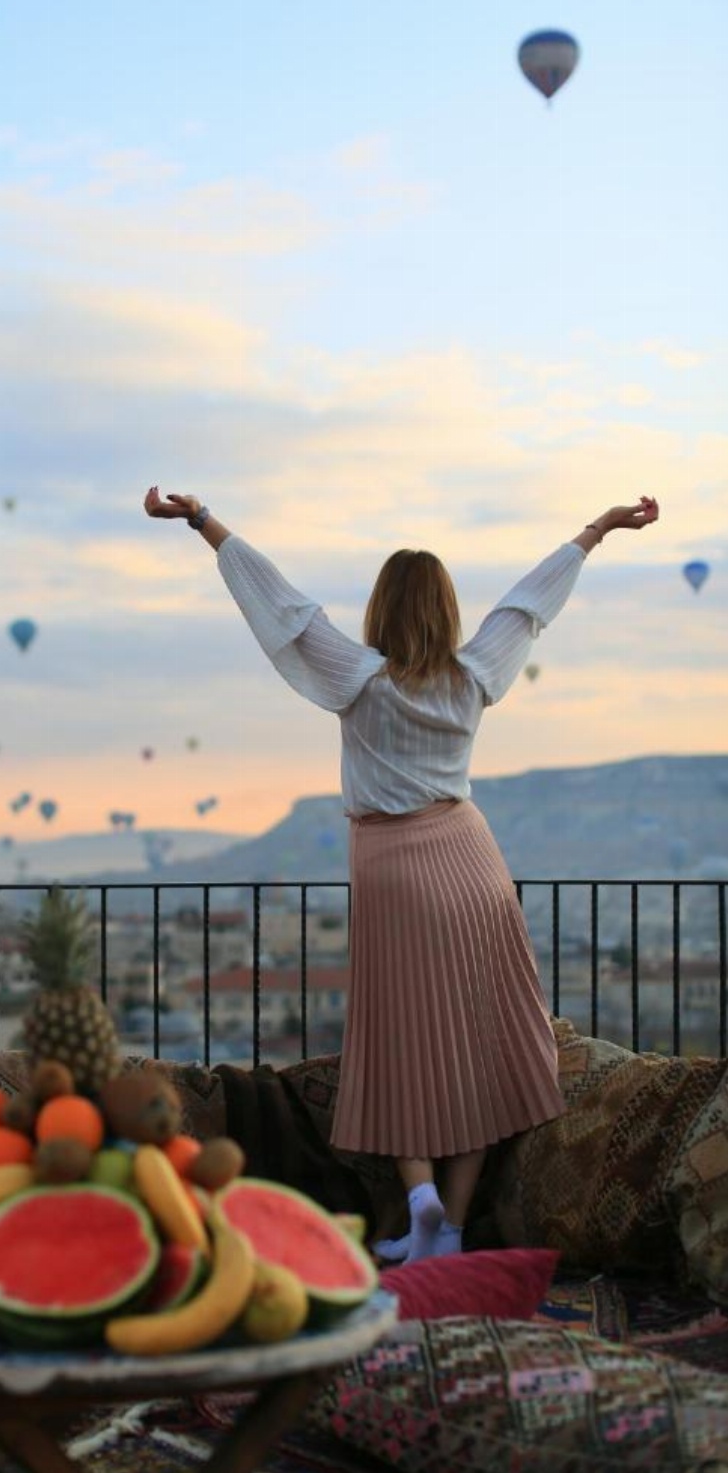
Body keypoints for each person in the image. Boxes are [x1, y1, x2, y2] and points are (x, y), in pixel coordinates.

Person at [144, 487, 660, 1262]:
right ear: (447, 611)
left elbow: (283, 609)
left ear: (383, 610)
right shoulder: (473, 674)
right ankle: (448, 1226)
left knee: (399, 1041)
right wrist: (599, 530)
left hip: (391, 867)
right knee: (486, 1043)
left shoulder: (360, 678)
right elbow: (527, 605)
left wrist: (201, 520)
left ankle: (419, 1199)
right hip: (473, 862)